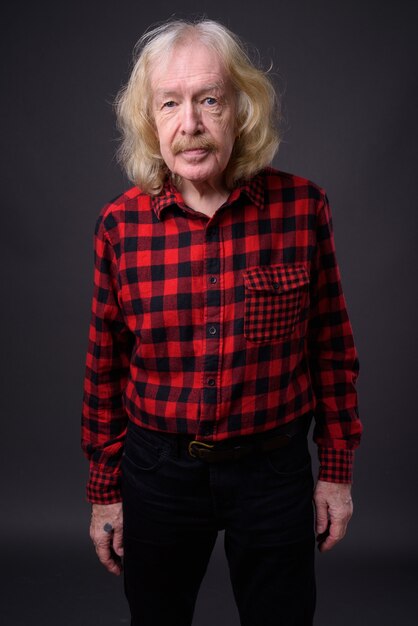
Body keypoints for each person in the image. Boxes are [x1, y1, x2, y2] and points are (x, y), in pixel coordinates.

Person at [81, 18, 362, 626]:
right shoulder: (118, 226)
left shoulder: (303, 208)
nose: (191, 125)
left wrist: (335, 473)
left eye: (210, 100)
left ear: (242, 110)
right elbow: (105, 367)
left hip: (273, 470)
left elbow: (332, 349)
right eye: (171, 104)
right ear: (150, 122)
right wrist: (105, 490)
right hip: (156, 472)